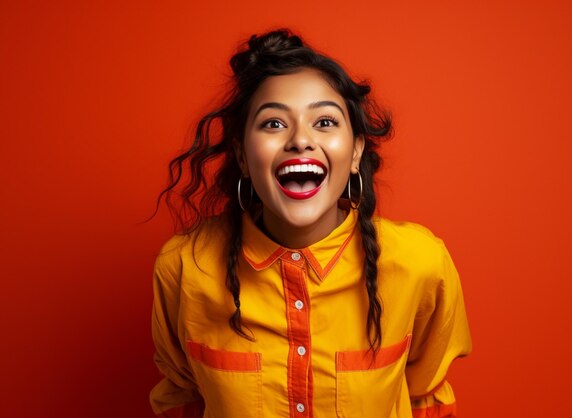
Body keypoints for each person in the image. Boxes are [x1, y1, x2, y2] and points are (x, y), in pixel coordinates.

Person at [149, 29, 472, 418]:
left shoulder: (420, 263)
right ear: (241, 153)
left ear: (355, 152)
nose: (300, 140)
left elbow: (427, 400)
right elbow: (180, 397)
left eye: (324, 122)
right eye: (273, 124)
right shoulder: (185, 266)